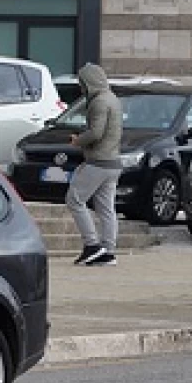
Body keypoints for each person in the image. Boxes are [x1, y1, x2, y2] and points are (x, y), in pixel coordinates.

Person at [66, 63, 123, 266]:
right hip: (113, 163)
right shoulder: (113, 99)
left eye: (82, 83)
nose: (81, 88)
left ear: (88, 82)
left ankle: (92, 245)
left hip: (98, 161)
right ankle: (108, 251)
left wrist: (77, 141)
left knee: (74, 200)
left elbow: (96, 133)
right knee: (106, 207)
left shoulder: (98, 102)